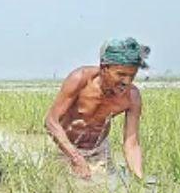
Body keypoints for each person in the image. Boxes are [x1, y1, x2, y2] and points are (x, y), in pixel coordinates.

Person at [45, 38, 146, 180]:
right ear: (104, 68)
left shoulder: (132, 97)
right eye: (121, 74)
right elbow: (51, 121)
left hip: (98, 151)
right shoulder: (80, 79)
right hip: (65, 148)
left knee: (107, 191)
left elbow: (131, 143)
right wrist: (75, 157)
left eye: (132, 75)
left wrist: (139, 180)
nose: (127, 82)